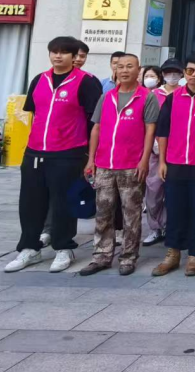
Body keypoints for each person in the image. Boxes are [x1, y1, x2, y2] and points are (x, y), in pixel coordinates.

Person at [5, 36, 103, 274]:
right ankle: (30, 247)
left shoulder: (86, 82)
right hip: (35, 151)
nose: (58, 56)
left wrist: (90, 156)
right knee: (30, 202)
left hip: (69, 152)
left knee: (63, 203)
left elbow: (95, 122)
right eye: (54, 51)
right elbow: (34, 113)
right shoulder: (39, 79)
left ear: (74, 56)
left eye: (64, 52)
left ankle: (63, 248)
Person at [80, 53, 158, 276]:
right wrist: (91, 159)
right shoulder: (107, 96)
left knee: (131, 214)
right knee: (103, 212)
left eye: (129, 66)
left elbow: (150, 130)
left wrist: (144, 160)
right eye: (120, 66)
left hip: (131, 165)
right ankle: (101, 256)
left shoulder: (147, 97)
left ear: (138, 70)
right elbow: (96, 128)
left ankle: (128, 257)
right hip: (104, 164)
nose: (124, 70)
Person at [152, 54, 195, 277]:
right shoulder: (173, 98)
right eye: (190, 70)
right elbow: (162, 131)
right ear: (184, 73)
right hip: (175, 163)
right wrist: (162, 161)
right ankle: (172, 253)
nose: (194, 75)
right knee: (175, 208)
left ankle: (194, 255)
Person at [143, 59, 180, 246]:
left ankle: (170, 226)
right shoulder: (152, 95)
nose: (172, 76)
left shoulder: (183, 93)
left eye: (176, 72)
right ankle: (154, 227)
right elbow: (146, 122)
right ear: (162, 75)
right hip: (155, 150)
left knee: (174, 193)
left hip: (178, 150)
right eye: (168, 72)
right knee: (154, 191)